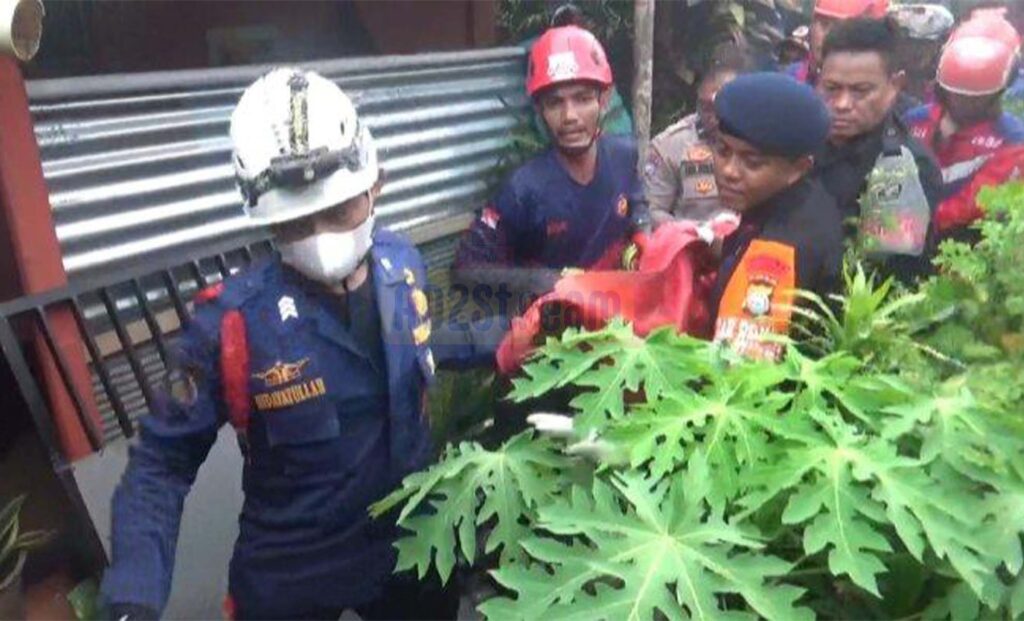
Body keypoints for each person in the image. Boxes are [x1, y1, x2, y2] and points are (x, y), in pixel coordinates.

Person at [100, 68, 500, 620]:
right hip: (294, 571)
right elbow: (160, 466)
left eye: (338, 212)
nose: (321, 238)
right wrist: (132, 597)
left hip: (411, 546)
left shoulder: (401, 266)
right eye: (295, 224)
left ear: (374, 183)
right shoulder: (232, 322)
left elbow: (421, 344)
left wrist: (502, 342)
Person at [453, 22, 647, 304]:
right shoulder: (523, 189)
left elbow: (636, 200)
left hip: (618, 313)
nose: (570, 116)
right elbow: (465, 271)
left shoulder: (624, 155)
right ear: (540, 111)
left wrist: (641, 230)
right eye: (555, 103)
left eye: (582, 99)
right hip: (552, 329)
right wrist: (545, 281)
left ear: (603, 100)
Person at [709, 73, 844, 362]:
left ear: (799, 167)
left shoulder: (777, 251)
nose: (729, 171)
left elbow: (735, 368)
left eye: (752, 162)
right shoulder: (802, 198)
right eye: (723, 150)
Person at [813, 17, 943, 282]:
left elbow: (890, 276)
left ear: (895, 85)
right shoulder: (798, 142)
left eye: (861, 91)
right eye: (831, 88)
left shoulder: (908, 166)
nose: (842, 103)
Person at [904, 25, 1024, 237]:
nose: (962, 103)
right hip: (900, 237)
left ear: (996, 95)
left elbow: (970, 206)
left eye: (973, 98)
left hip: (963, 243)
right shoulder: (915, 120)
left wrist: (907, 225)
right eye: (955, 94)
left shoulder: (1012, 142)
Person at [645, 45, 750, 227]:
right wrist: (697, 233)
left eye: (718, 107)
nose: (711, 117)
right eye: (704, 106)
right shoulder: (670, 145)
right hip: (691, 248)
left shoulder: (762, 143)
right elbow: (650, 211)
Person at [786, 0, 890, 86]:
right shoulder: (790, 79)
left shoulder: (884, 99)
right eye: (824, 24)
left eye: (840, 28)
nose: (829, 36)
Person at [889, 3, 955, 103]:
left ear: (942, 42)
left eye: (922, 44)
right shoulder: (890, 77)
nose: (913, 49)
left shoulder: (949, 80)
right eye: (908, 42)